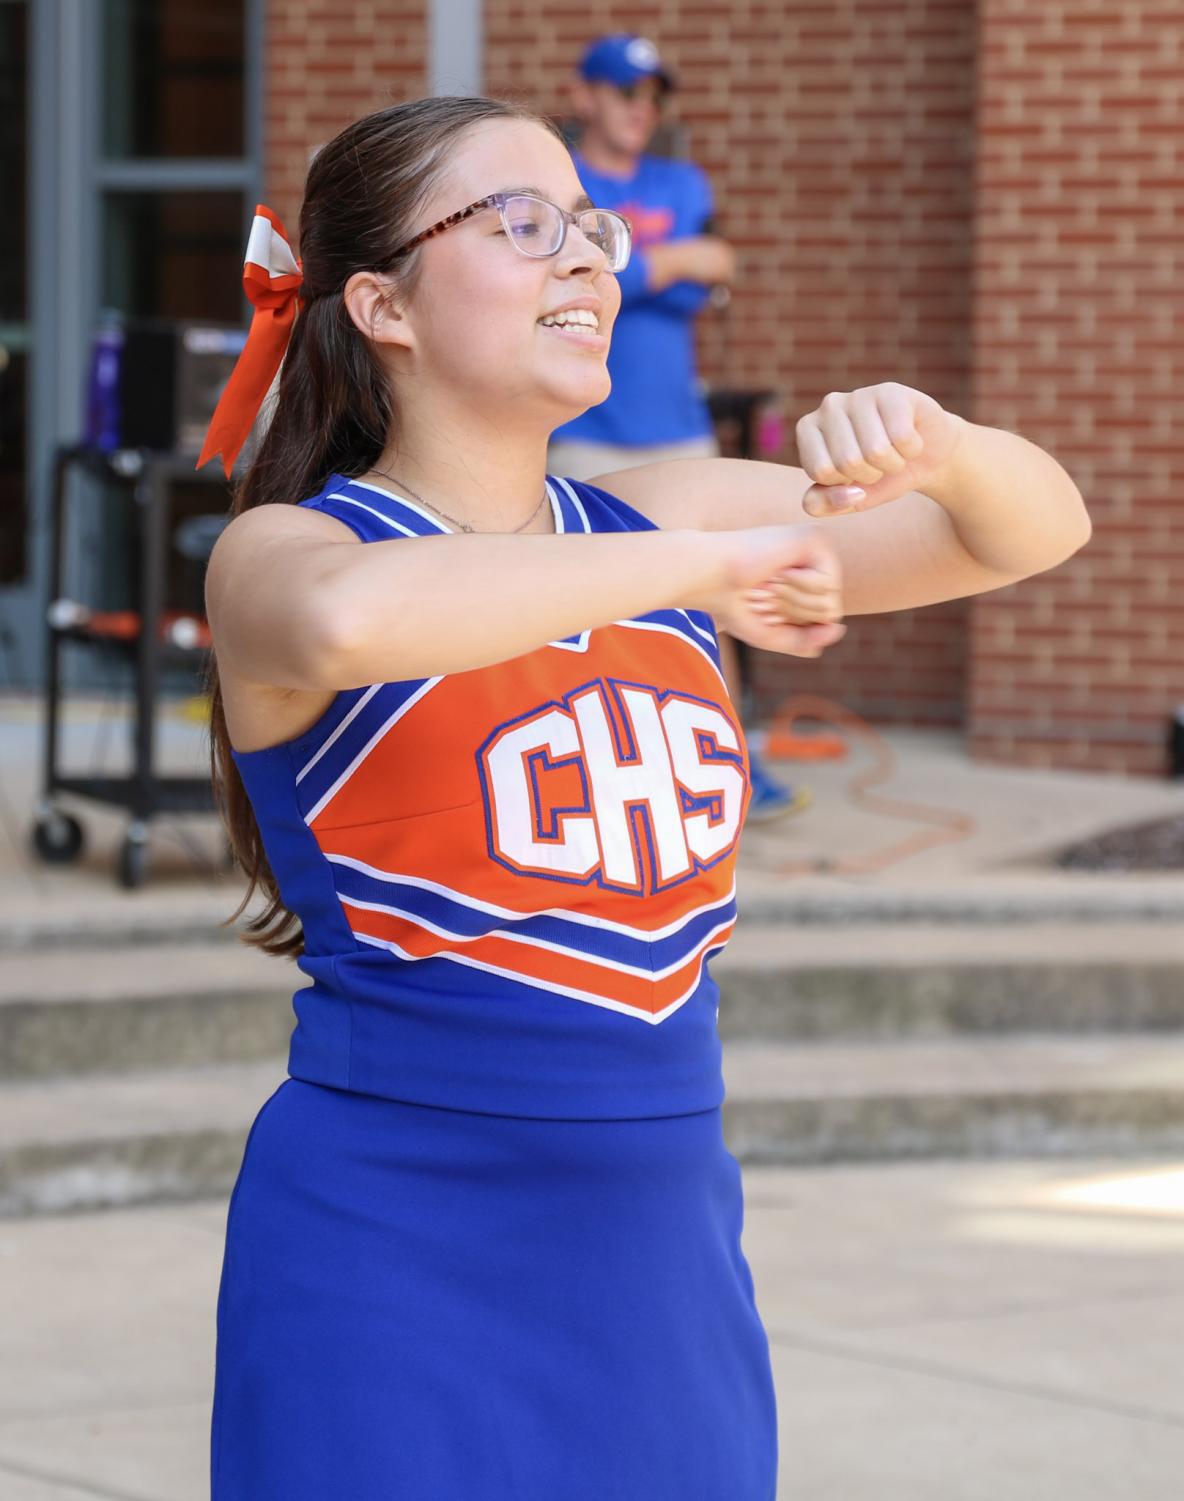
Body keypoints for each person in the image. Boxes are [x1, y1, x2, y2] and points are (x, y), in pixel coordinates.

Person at [200, 95, 1090, 1500]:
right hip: (389, 1242)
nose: (588, 260)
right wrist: (703, 568)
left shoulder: (657, 516)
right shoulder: (289, 547)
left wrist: (944, 444)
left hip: (661, 1246)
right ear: (382, 303)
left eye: (593, 227)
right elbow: (350, 624)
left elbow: (1035, 529)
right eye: (521, 223)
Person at [550, 33, 802, 819]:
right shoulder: (562, 179)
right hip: (583, 424)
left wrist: (630, 265)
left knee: (710, 595)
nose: (642, 109)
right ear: (585, 95)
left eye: (654, 96)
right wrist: (670, 261)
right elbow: (580, 262)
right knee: (573, 603)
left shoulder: (680, 179)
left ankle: (731, 766)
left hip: (676, 423)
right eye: (627, 93)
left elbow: (716, 265)